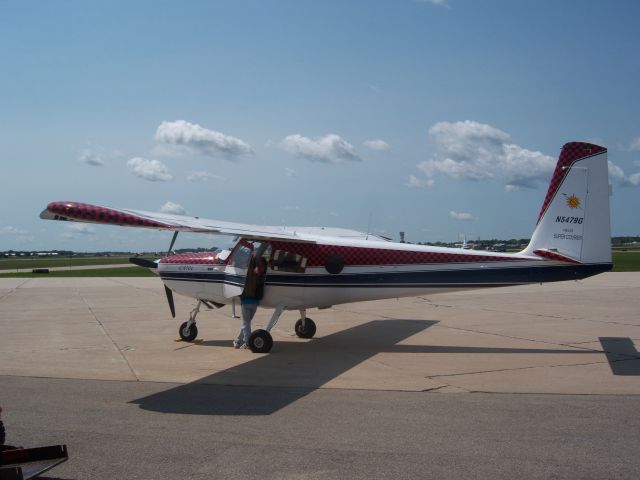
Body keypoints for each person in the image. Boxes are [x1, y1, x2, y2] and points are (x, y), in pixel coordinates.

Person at [234, 256, 267, 348]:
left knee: (246, 324)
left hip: (245, 303)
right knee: (246, 323)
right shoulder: (259, 276)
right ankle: (238, 341)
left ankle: (248, 342)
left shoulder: (248, 276)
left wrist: (250, 256)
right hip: (255, 303)